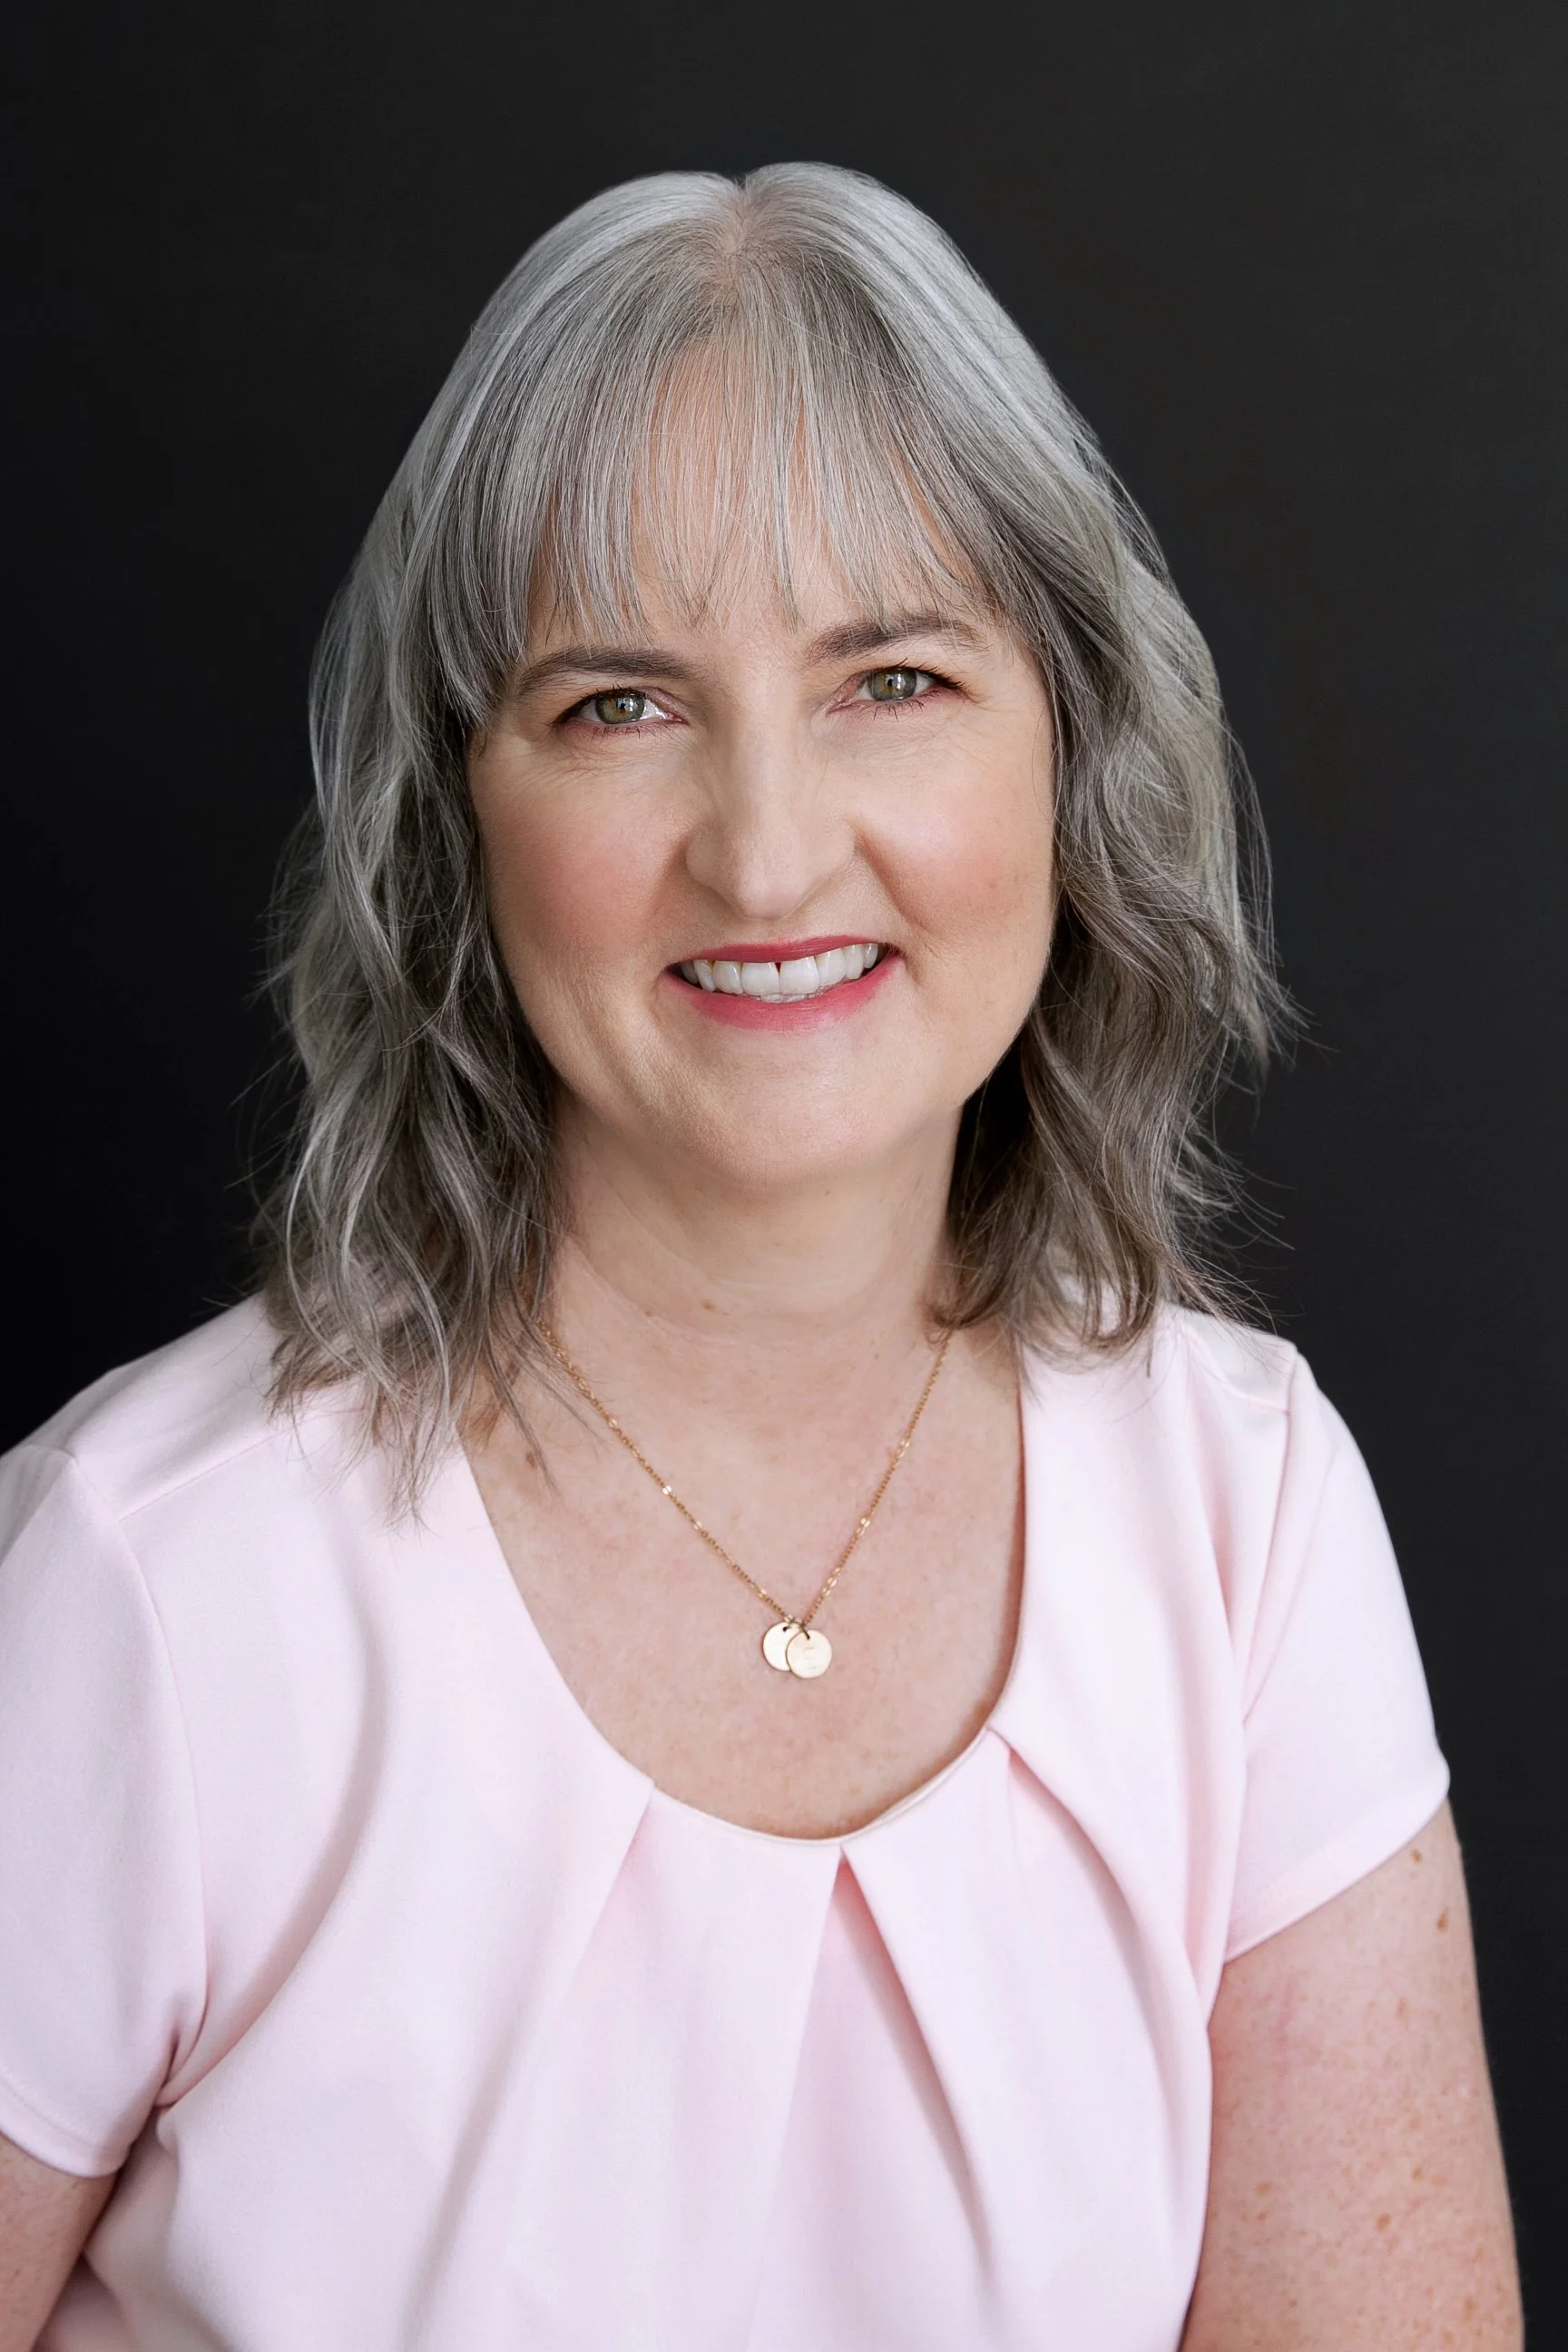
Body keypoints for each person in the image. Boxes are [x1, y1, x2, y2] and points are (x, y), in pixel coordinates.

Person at [0, 164, 1520, 2350]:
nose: (773, 845)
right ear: (459, 818)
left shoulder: (1242, 1511)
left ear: (1071, 753)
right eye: (619, 704)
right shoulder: (144, 1585)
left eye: (891, 677)